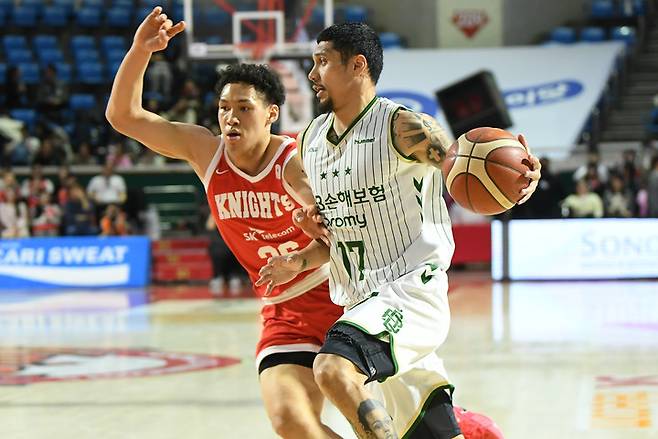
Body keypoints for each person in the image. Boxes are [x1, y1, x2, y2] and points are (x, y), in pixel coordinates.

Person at [257, 22, 541, 438]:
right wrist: (299, 260)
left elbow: (463, 164)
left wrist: (521, 182)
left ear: (357, 65)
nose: (312, 75)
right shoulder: (310, 141)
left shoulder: (404, 128)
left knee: (332, 369)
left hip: (410, 292)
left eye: (322, 62)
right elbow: (339, 236)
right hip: (360, 304)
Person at [105, 7, 344, 438]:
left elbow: (336, 231)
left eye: (244, 108)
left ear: (271, 114)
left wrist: (305, 244)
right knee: (291, 423)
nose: (231, 117)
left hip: (340, 295)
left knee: (382, 419)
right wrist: (141, 50)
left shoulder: (294, 161)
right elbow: (123, 117)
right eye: (223, 107)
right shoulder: (205, 151)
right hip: (283, 309)